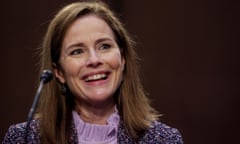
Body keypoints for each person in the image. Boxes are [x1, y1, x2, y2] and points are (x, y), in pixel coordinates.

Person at [2, 1, 183, 144]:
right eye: (77, 51)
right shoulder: (24, 139)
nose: (94, 60)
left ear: (122, 58)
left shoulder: (164, 140)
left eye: (104, 46)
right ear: (59, 72)